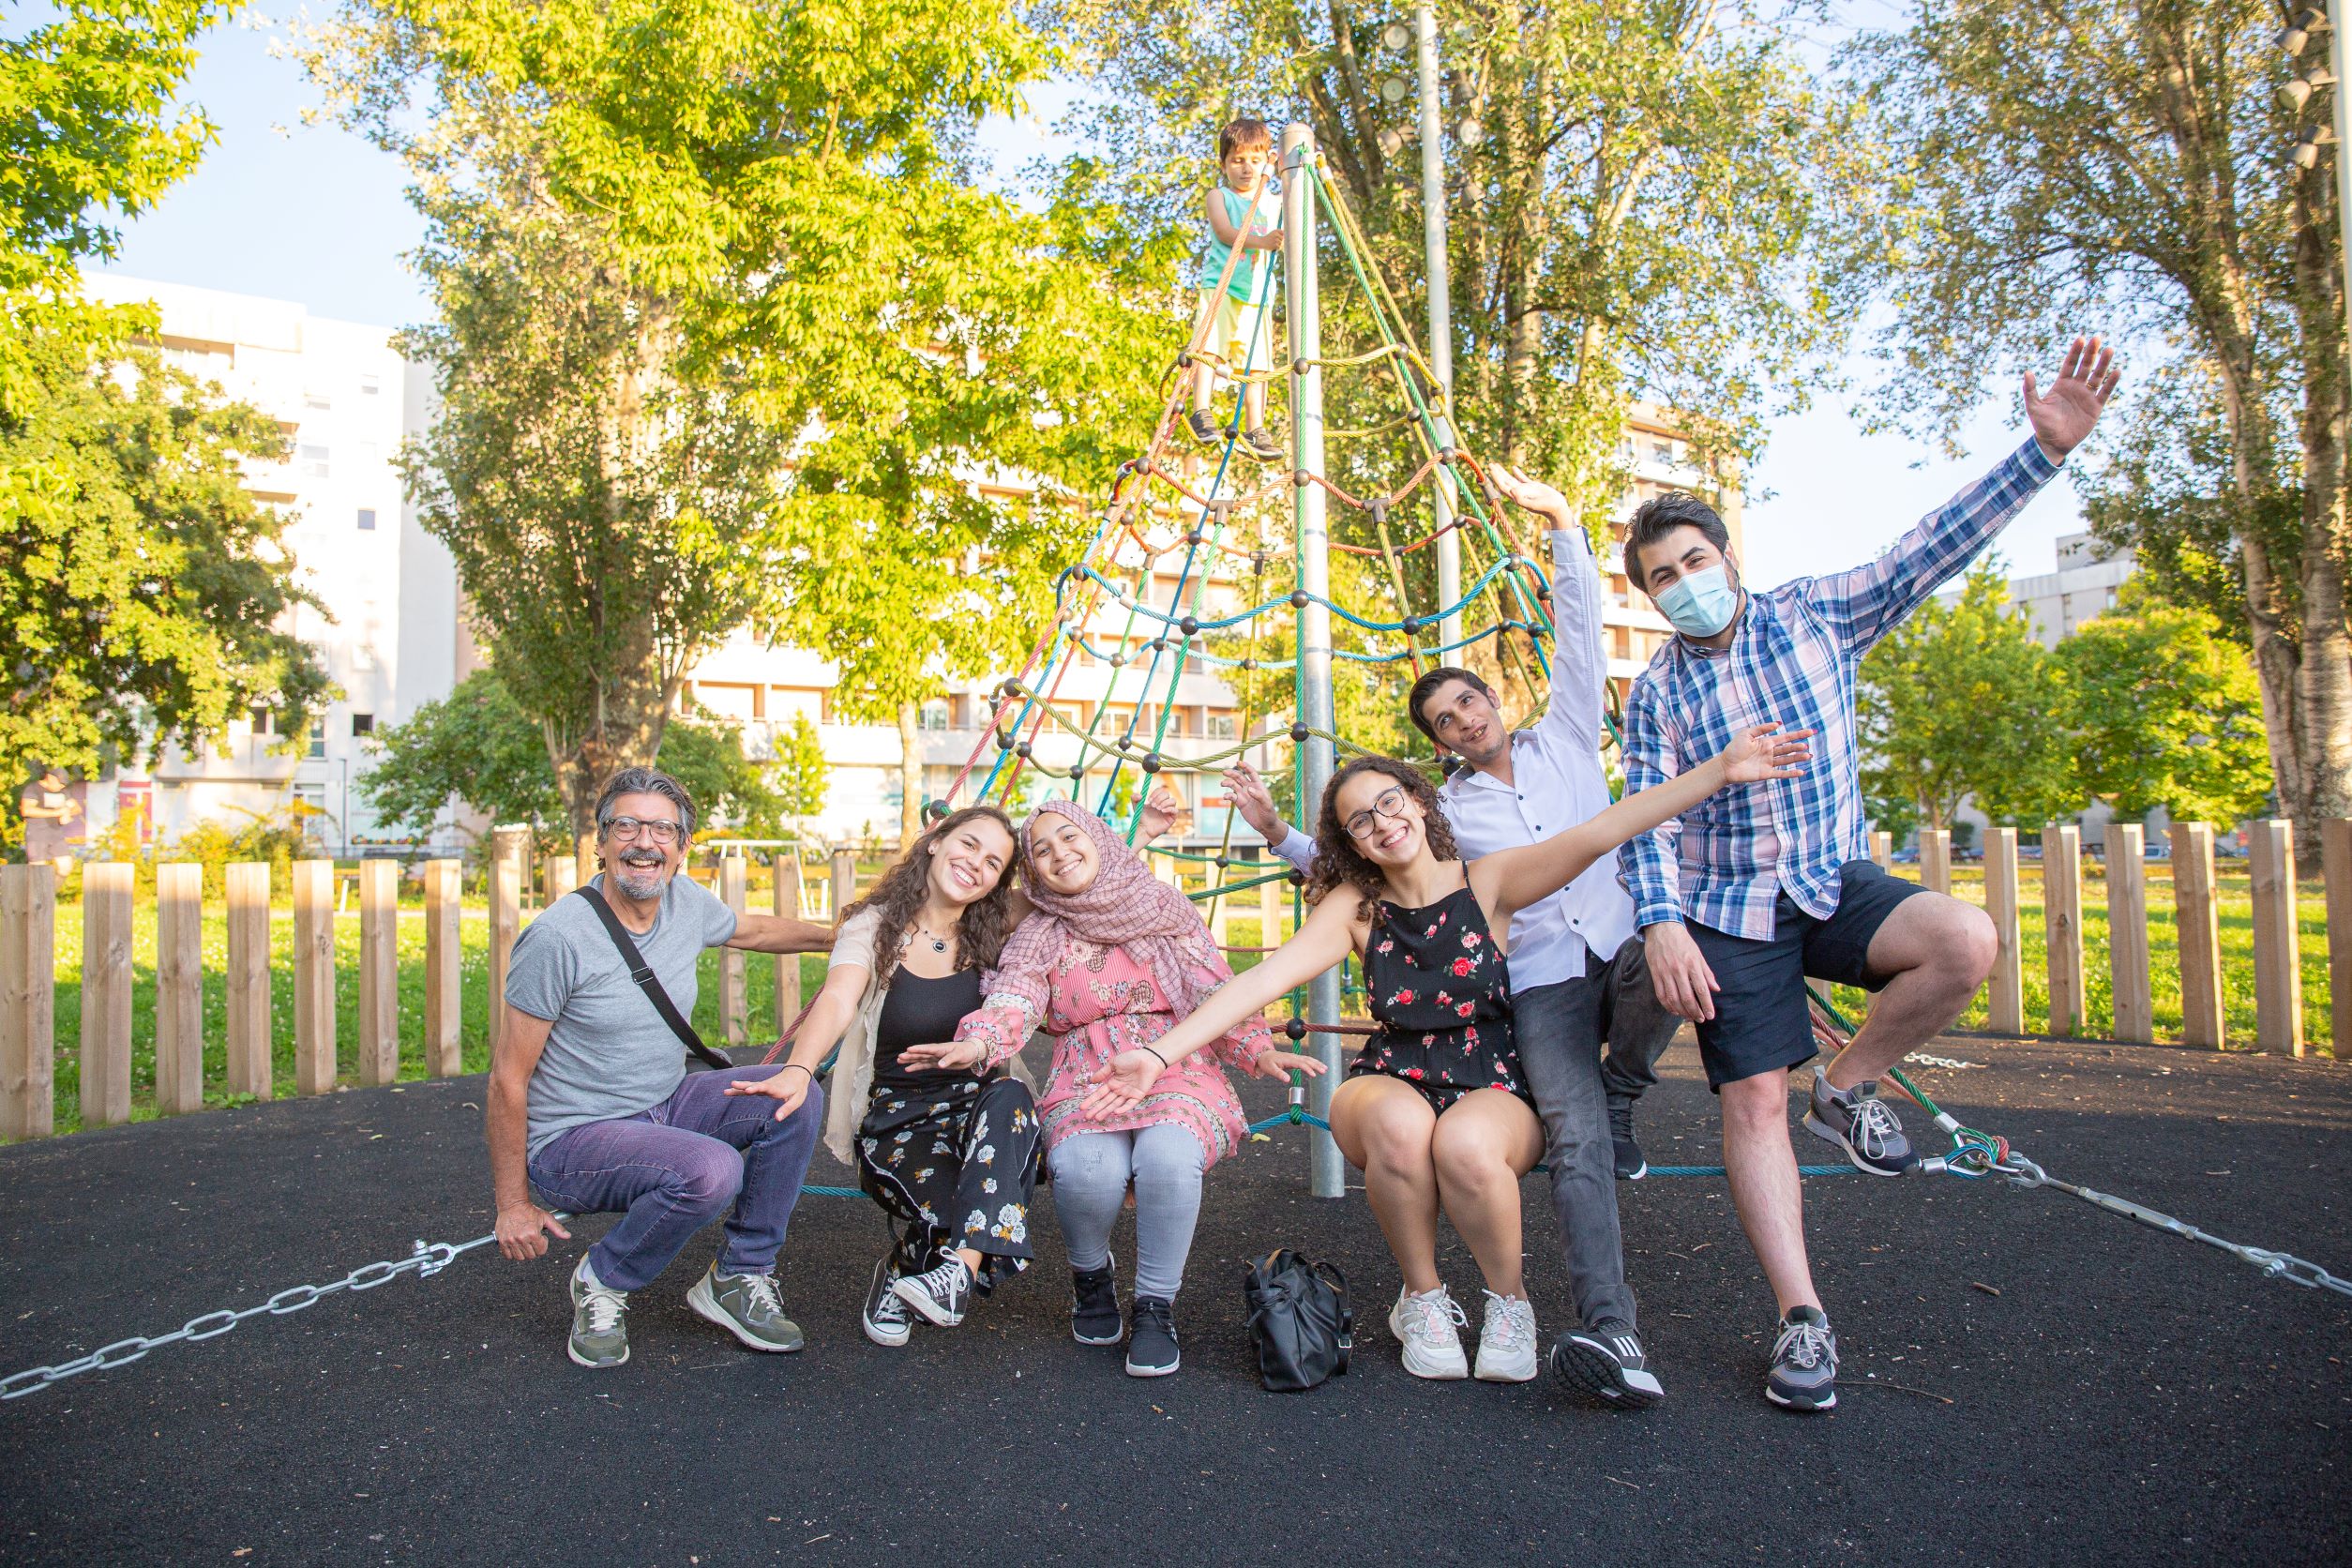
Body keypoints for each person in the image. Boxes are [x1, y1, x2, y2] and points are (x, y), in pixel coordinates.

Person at [1618, 336, 2120, 1413]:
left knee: (1966, 939)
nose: (1684, 585)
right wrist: (1662, 926)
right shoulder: (1655, 695)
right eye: (1664, 578)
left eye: (1695, 562)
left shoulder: (1816, 615)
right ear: (1651, 596)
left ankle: (1844, 1088)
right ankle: (1804, 1316)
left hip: (1831, 879)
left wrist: (2041, 454)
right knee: (1750, 1099)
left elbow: (1929, 547)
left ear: (1727, 558)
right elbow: (1643, 824)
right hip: (1727, 911)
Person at [1092, 726, 1809, 1389]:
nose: (1382, 822)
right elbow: (1258, 981)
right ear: (1352, 844)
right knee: (1403, 1133)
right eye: (1360, 820)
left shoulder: (1487, 884)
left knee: (1467, 1144)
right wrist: (1159, 1052)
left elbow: (1603, 830)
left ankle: (1509, 1299)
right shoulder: (1353, 907)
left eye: (1389, 801)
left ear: (1418, 803)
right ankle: (1426, 1298)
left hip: (1489, 1074)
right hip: (1393, 1073)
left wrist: (1720, 770)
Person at [1226, 463, 1681, 1401]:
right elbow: (1368, 863)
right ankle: (1601, 1322)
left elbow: (1582, 638)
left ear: (1493, 699)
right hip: (1543, 977)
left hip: (1620, 942)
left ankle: (1627, 1082)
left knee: (1666, 959)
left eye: (1469, 702)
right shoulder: (1455, 817)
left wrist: (1562, 523)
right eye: (1443, 720)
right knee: (1574, 1135)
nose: (1465, 720)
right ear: (1438, 744)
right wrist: (1274, 831)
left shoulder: (1566, 734)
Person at [934, 798, 1324, 1377]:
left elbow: (1210, 984)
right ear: (1032, 872)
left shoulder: (1161, 906)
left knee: (1168, 1156)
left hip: (1173, 1057)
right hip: (1087, 1067)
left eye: (1069, 837)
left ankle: (1154, 1305)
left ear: (1097, 838)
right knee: (1090, 1173)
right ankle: (1091, 1274)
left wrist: (1255, 1047)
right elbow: (1014, 995)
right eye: (1040, 850)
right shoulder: (1041, 931)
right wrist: (981, 1042)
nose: (1058, 853)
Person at [487, 766, 839, 1370]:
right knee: (712, 1169)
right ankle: (603, 1279)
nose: (644, 842)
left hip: (663, 1105)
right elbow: (506, 1080)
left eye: (662, 829)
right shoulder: (557, 939)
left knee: (794, 1093)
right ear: (599, 842)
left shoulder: (684, 902)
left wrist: (843, 938)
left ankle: (740, 1275)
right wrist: (513, 1205)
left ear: (681, 848)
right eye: (626, 825)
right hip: (573, 1139)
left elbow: (753, 930)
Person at [730, 806, 1039, 1349]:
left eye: (993, 862)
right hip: (901, 1122)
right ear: (934, 840)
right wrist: (800, 1069)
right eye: (968, 845)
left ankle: (950, 1276)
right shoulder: (873, 927)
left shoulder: (992, 926)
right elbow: (840, 997)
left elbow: (1077, 884)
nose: (976, 865)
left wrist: (1144, 835)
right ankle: (905, 1268)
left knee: (1010, 1097)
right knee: (963, 1213)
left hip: (983, 1116)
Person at [1185, 116, 1284, 462]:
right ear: (1224, 164)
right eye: (1237, 160)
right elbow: (1228, 234)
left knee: (1257, 365)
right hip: (1222, 289)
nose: (1246, 169)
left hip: (1257, 296)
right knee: (1210, 351)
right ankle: (1201, 411)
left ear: (1265, 161)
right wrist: (1264, 242)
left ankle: (1256, 427)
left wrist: (1284, 167)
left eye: (1255, 161)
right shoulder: (1219, 196)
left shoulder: (1272, 202)